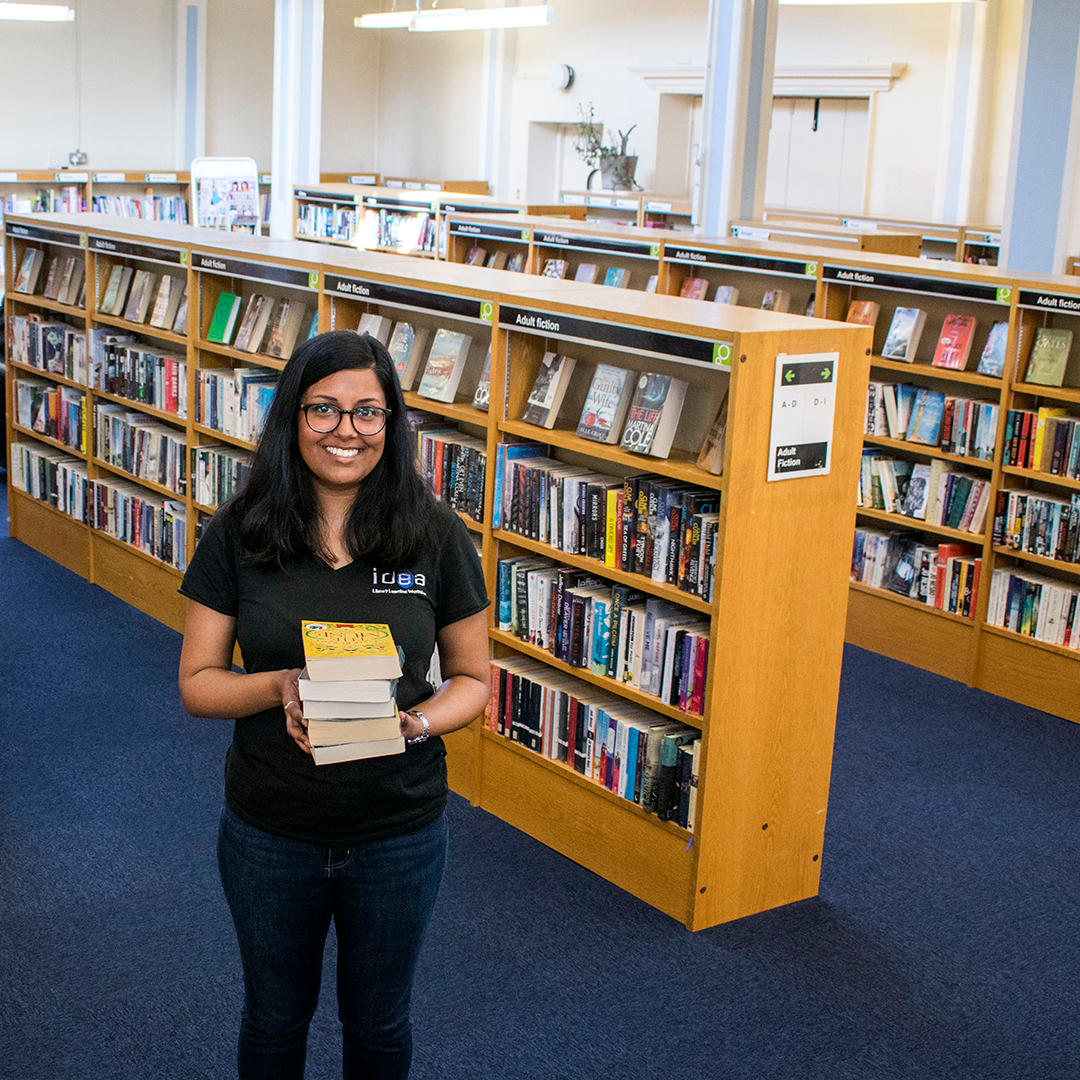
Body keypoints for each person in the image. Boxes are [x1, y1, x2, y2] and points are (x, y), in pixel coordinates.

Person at [178, 329, 490, 1080]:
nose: (345, 431)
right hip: (271, 828)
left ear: (391, 424)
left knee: (379, 1023)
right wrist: (279, 684)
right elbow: (197, 682)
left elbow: (474, 680)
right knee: (275, 1019)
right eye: (323, 410)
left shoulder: (436, 535)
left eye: (367, 413)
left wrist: (415, 722)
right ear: (291, 417)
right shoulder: (241, 531)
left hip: (398, 828)